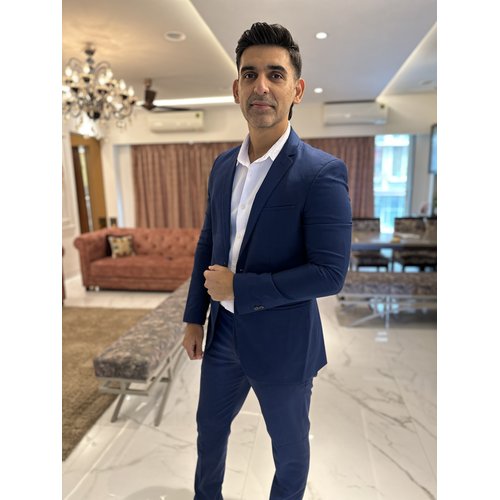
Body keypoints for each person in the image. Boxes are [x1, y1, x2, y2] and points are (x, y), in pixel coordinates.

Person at [182, 22, 352, 500]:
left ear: (296, 89)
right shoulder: (222, 166)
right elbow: (208, 242)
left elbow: (329, 274)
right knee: (209, 431)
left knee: (290, 451)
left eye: (275, 75)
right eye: (250, 74)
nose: (261, 86)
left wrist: (240, 288)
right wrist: (194, 316)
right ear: (236, 88)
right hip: (222, 335)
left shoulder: (321, 172)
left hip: (284, 342)